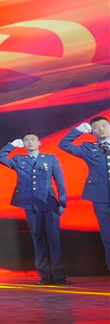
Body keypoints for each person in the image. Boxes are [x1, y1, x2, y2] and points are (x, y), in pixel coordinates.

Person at [0, 134, 71, 285]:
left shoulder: (50, 159)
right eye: (26, 140)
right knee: (38, 239)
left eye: (32, 140)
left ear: (39, 143)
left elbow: (60, 181)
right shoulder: (19, 160)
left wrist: (62, 202)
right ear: (23, 144)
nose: (29, 142)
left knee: (54, 240)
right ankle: (45, 276)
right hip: (30, 205)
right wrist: (11, 145)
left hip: (49, 203)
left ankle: (58, 276)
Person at [58, 116, 110, 271]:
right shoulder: (87, 148)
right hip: (101, 197)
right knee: (108, 237)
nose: (101, 129)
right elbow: (64, 144)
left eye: (104, 125)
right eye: (96, 127)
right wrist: (77, 131)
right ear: (91, 132)